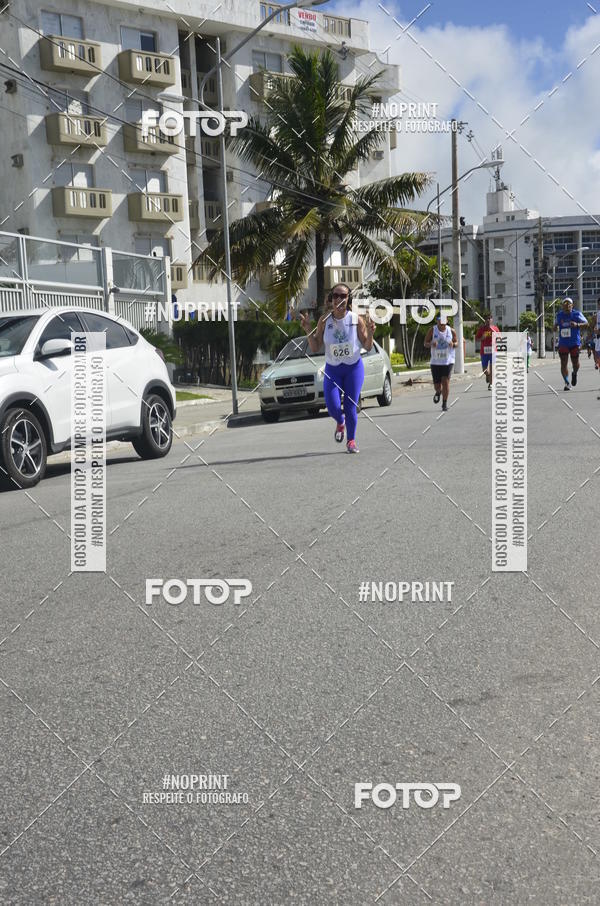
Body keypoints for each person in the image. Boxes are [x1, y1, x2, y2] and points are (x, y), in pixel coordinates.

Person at [299, 283, 375, 453]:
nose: (339, 299)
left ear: (348, 299)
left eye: (343, 296)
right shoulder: (324, 320)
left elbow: (368, 346)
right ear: (331, 299)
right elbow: (315, 347)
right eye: (335, 296)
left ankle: (351, 441)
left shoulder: (356, 320)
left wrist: (370, 333)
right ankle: (340, 422)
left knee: (350, 406)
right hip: (333, 370)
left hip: (353, 369)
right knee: (332, 406)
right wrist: (308, 329)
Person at [424, 314, 458, 412]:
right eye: (440, 320)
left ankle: (444, 403)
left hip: (448, 361)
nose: (442, 322)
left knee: (445, 382)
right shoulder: (432, 330)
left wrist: (453, 344)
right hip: (435, 362)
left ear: (447, 321)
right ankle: (438, 392)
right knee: (437, 386)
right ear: (437, 321)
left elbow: (457, 343)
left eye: (444, 320)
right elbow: (425, 343)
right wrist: (431, 344)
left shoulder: (451, 331)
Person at [554, 297, 588, 390]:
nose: (567, 306)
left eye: (569, 304)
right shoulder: (559, 315)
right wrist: (555, 327)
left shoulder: (577, 314)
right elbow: (555, 324)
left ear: (572, 305)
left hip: (574, 343)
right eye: (565, 304)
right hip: (563, 343)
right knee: (563, 363)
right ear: (562, 306)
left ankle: (574, 373)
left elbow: (586, 323)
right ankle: (567, 383)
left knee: (575, 363)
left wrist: (577, 325)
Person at [475, 312, 500, 389]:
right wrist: (482, 338)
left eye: (490, 318)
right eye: (487, 319)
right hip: (484, 352)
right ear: (485, 320)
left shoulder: (495, 328)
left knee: (492, 369)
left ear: (492, 319)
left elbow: (500, 339)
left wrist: (495, 335)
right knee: (485, 370)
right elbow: (476, 339)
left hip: (493, 351)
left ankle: (491, 384)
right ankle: (488, 375)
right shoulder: (482, 329)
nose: (488, 320)